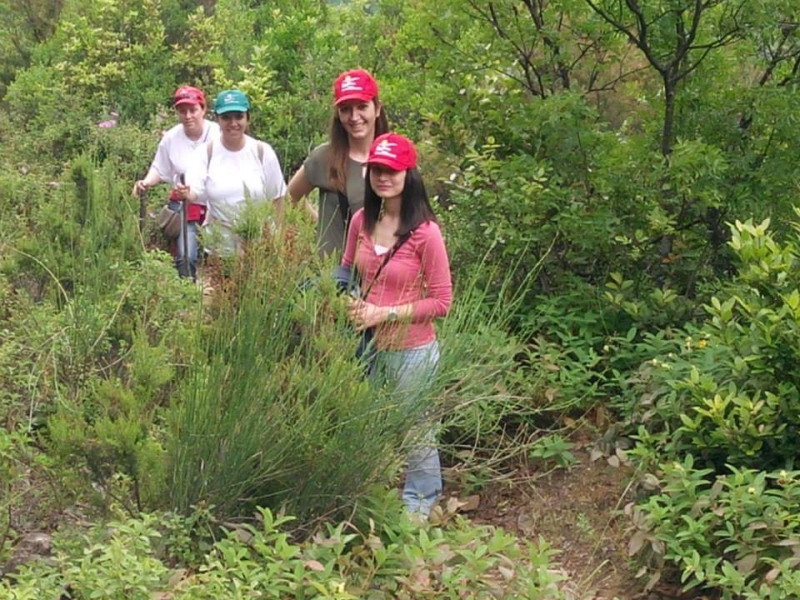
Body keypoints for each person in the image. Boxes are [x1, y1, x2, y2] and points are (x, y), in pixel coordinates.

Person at [341, 132, 453, 517]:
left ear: (409, 173)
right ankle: (367, 499)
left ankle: (418, 505)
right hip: (366, 345)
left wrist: (384, 313)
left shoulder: (426, 233)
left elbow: (442, 301)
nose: (383, 177)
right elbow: (345, 270)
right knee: (364, 422)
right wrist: (345, 299)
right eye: (376, 170)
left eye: (391, 170)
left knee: (415, 429)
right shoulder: (361, 221)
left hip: (412, 350)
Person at [285, 68, 389, 255]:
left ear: (377, 109)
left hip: (380, 276)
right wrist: (320, 226)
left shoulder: (393, 157)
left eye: (362, 107)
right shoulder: (324, 158)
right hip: (331, 277)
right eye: (346, 109)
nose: (354, 117)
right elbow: (290, 198)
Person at [183, 89, 287, 256]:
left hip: (260, 248)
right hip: (219, 248)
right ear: (217, 119)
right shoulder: (205, 153)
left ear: (247, 118)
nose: (233, 123)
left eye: (238, 116)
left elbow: (278, 198)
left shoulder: (262, 152)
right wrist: (187, 194)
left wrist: (279, 241)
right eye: (226, 117)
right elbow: (194, 190)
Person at [133, 85, 218, 280]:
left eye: (192, 110)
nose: (188, 116)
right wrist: (145, 182)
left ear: (203, 109)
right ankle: (188, 297)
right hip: (185, 206)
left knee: (223, 258)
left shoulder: (218, 135)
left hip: (217, 205)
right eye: (182, 111)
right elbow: (158, 167)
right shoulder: (171, 138)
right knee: (185, 256)